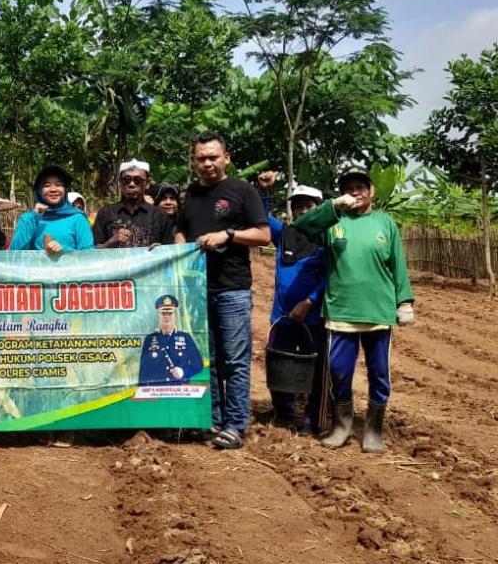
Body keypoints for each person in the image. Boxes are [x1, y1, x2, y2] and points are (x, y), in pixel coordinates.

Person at [294, 165, 415, 453]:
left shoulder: (385, 224)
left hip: (378, 311)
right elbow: (303, 226)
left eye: (361, 186)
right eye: (349, 187)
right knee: (339, 371)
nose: (355, 191)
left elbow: (398, 265)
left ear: (371, 191)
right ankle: (342, 424)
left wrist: (405, 301)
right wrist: (333, 206)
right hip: (341, 311)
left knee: (379, 372)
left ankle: (373, 429)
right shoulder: (333, 222)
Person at [174, 132, 270, 450]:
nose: (207, 163)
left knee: (236, 360)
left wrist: (227, 235)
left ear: (225, 158)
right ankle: (211, 418)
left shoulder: (243, 192)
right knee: (208, 359)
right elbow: (183, 229)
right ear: (194, 161)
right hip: (199, 289)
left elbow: (263, 234)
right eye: (201, 158)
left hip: (232, 289)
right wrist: (179, 244)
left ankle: (235, 423)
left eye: (213, 157)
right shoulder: (191, 196)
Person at [256, 172, 330, 434]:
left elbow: (330, 276)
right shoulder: (285, 234)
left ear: (319, 209)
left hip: (313, 316)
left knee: (316, 366)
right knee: (279, 361)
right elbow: (262, 219)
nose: (304, 211)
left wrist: (309, 302)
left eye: (309, 206)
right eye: (299, 206)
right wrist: (264, 192)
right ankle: (284, 412)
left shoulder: (327, 238)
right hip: (282, 316)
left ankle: (312, 418)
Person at [9, 165, 94, 255]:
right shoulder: (28, 219)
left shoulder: (77, 218)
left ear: (65, 190)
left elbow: (88, 254)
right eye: (47, 185)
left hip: (69, 268)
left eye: (59, 185)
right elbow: (14, 252)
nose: (53, 189)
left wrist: (64, 250)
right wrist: (34, 217)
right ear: (39, 190)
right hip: (36, 269)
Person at [93, 159, 175, 249]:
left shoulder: (159, 215)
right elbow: (92, 251)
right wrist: (109, 243)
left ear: (147, 183)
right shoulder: (106, 212)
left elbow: (170, 252)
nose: (131, 184)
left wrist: (160, 250)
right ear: (120, 182)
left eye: (138, 180)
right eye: (126, 180)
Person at [138, 295, 203, 385]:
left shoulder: (186, 338)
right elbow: (143, 372)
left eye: (170, 313)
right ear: (158, 316)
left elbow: (198, 365)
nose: (166, 317)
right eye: (163, 313)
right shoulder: (149, 339)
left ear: (175, 316)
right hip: (157, 393)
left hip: (179, 392)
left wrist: (183, 372)